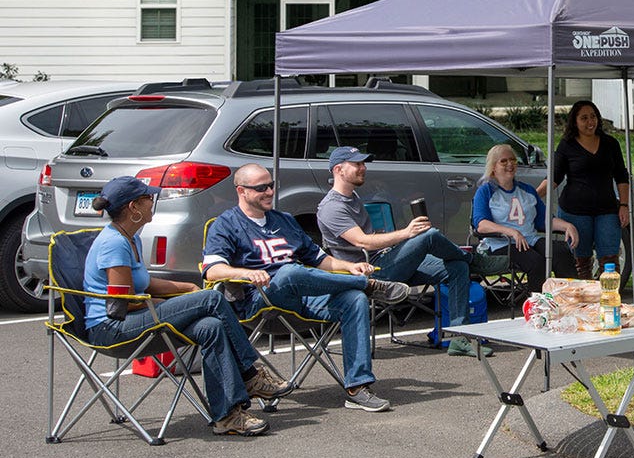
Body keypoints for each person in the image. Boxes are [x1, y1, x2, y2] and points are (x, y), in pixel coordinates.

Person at [83, 176, 293, 437]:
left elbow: (145, 284)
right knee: (212, 299)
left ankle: (227, 415)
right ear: (133, 207)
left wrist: (188, 290)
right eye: (149, 198)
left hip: (133, 318)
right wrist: (178, 304)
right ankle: (250, 373)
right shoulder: (113, 243)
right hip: (112, 329)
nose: (153, 202)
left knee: (211, 326)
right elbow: (121, 305)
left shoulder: (130, 238)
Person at [203, 163, 411, 413]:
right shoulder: (226, 224)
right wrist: (246, 273)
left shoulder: (285, 221)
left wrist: (349, 267)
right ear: (242, 191)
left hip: (301, 300)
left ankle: (358, 387)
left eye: (271, 185)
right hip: (259, 302)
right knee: (290, 272)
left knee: (353, 299)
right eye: (261, 188)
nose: (269, 192)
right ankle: (368, 286)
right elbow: (212, 270)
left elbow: (321, 260)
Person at [317, 146, 499, 357]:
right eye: (357, 164)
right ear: (338, 169)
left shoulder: (352, 197)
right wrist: (406, 233)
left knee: (457, 267)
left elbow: (368, 237)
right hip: (371, 273)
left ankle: (459, 337)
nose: (363, 168)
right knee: (428, 236)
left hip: (386, 259)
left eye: (363, 163)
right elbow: (363, 242)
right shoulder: (332, 207)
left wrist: (394, 238)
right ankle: (473, 259)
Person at [536, 100, 631, 279]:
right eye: (584, 118)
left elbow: (621, 175)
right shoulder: (567, 145)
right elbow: (555, 177)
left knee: (610, 262)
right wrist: (532, 196)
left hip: (607, 210)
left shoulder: (610, 143)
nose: (590, 122)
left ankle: (609, 302)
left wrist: (624, 205)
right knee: (581, 263)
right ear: (575, 122)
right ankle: (585, 304)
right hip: (575, 212)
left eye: (593, 117)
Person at [472, 144, 579, 294]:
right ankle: (537, 307)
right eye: (503, 161)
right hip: (502, 244)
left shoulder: (527, 190)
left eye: (513, 160)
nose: (510, 164)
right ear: (493, 167)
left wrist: (568, 226)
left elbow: (544, 220)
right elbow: (481, 225)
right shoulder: (486, 191)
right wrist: (511, 232)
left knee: (561, 252)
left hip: (530, 240)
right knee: (536, 262)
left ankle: (571, 300)